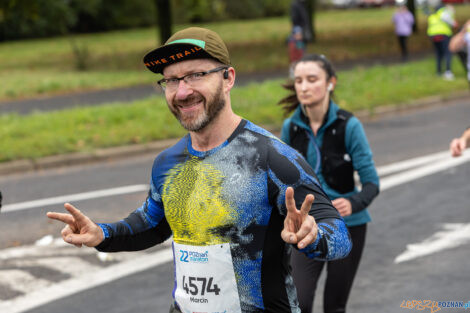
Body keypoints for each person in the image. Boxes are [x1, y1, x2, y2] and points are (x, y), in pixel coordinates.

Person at [46, 27, 352, 313]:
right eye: (171, 80)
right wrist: (103, 233)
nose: (182, 92)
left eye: (195, 75)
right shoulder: (168, 162)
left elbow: (339, 235)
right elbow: (154, 224)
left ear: (228, 78)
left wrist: (312, 236)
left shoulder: (272, 157)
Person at [278, 54, 380, 313]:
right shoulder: (291, 128)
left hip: (348, 226)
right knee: (299, 303)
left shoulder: (349, 125)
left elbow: (371, 183)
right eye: (299, 80)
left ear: (330, 82)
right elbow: (281, 181)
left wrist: (352, 202)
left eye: (312, 80)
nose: (303, 87)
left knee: (334, 306)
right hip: (307, 225)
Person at [427, 4, 458, 80]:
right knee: (448, 53)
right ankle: (448, 72)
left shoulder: (432, 16)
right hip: (443, 35)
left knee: (439, 53)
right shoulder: (444, 13)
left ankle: (438, 72)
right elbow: (451, 21)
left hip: (433, 36)